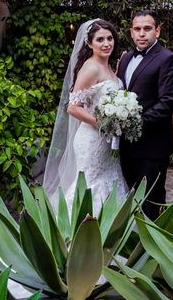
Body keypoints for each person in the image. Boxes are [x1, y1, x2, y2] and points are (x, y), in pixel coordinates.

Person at [43, 19, 129, 213]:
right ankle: (78, 231)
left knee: (109, 179)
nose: (107, 43)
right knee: (91, 183)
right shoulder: (90, 67)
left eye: (110, 38)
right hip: (92, 139)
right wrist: (101, 124)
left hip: (107, 141)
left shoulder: (108, 67)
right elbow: (73, 108)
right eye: (100, 40)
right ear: (89, 44)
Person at [117, 10, 173, 220]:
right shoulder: (126, 58)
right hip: (125, 147)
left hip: (151, 148)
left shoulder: (168, 59)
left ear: (157, 31)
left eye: (147, 29)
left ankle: (154, 248)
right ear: (131, 32)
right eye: (137, 29)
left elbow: (168, 103)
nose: (142, 33)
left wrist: (133, 123)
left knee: (151, 203)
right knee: (129, 199)